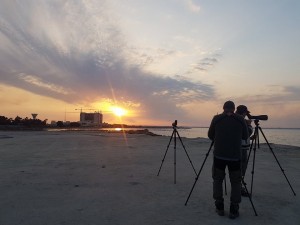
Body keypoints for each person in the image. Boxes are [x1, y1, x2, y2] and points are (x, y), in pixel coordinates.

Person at [208, 100, 249, 219]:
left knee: (217, 180)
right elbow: (245, 136)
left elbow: (211, 135)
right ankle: (234, 209)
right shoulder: (240, 119)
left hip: (219, 156)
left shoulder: (216, 118)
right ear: (234, 108)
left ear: (223, 108)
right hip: (235, 157)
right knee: (236, 182)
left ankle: (219, 206)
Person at [235, 105, 253, 197]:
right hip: (241, 149)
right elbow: (245, 134)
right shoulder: (241, 120)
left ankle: (238, 187)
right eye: (246, 113)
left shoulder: (234, 118)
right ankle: (239, 188)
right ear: (244, 112)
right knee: (241, 168)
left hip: (237, 147)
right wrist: (249, 125)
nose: (247, 115)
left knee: (238, 169)